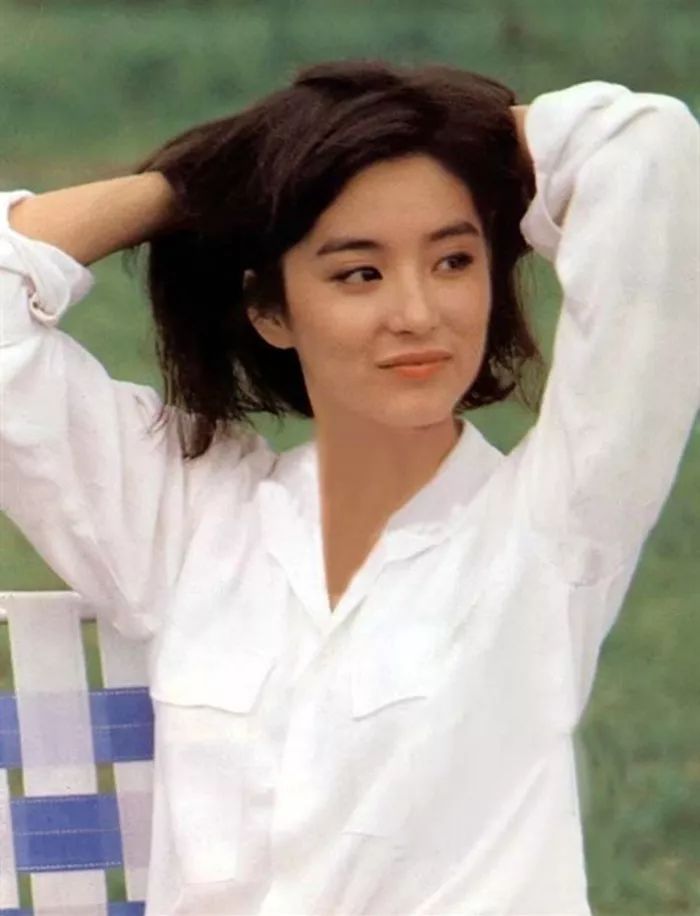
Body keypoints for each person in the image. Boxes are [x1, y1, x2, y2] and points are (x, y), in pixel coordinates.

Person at [1, 59, 697, 915]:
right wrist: (212, 177)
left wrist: (441, 127)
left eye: (453, 261)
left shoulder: (558, 527)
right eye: (359, 273)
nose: (417, 313)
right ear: (270, 309)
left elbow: (650, 151)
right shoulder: (187, 523)